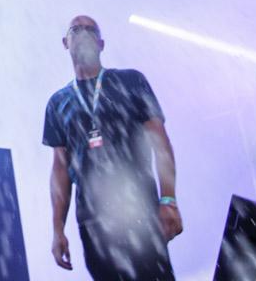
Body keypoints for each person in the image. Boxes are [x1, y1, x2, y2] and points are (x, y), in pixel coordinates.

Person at [43, 16, 181, 280]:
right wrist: (57, 229)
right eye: (76, 29)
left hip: (139, 209)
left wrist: (168, 200)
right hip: (93, 222)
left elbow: (160, 142)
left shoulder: (130, 81)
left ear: (101, 43)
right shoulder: (57, 103)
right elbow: (60, 168)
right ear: (65, 42)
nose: (83, 33)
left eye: (91, 30)